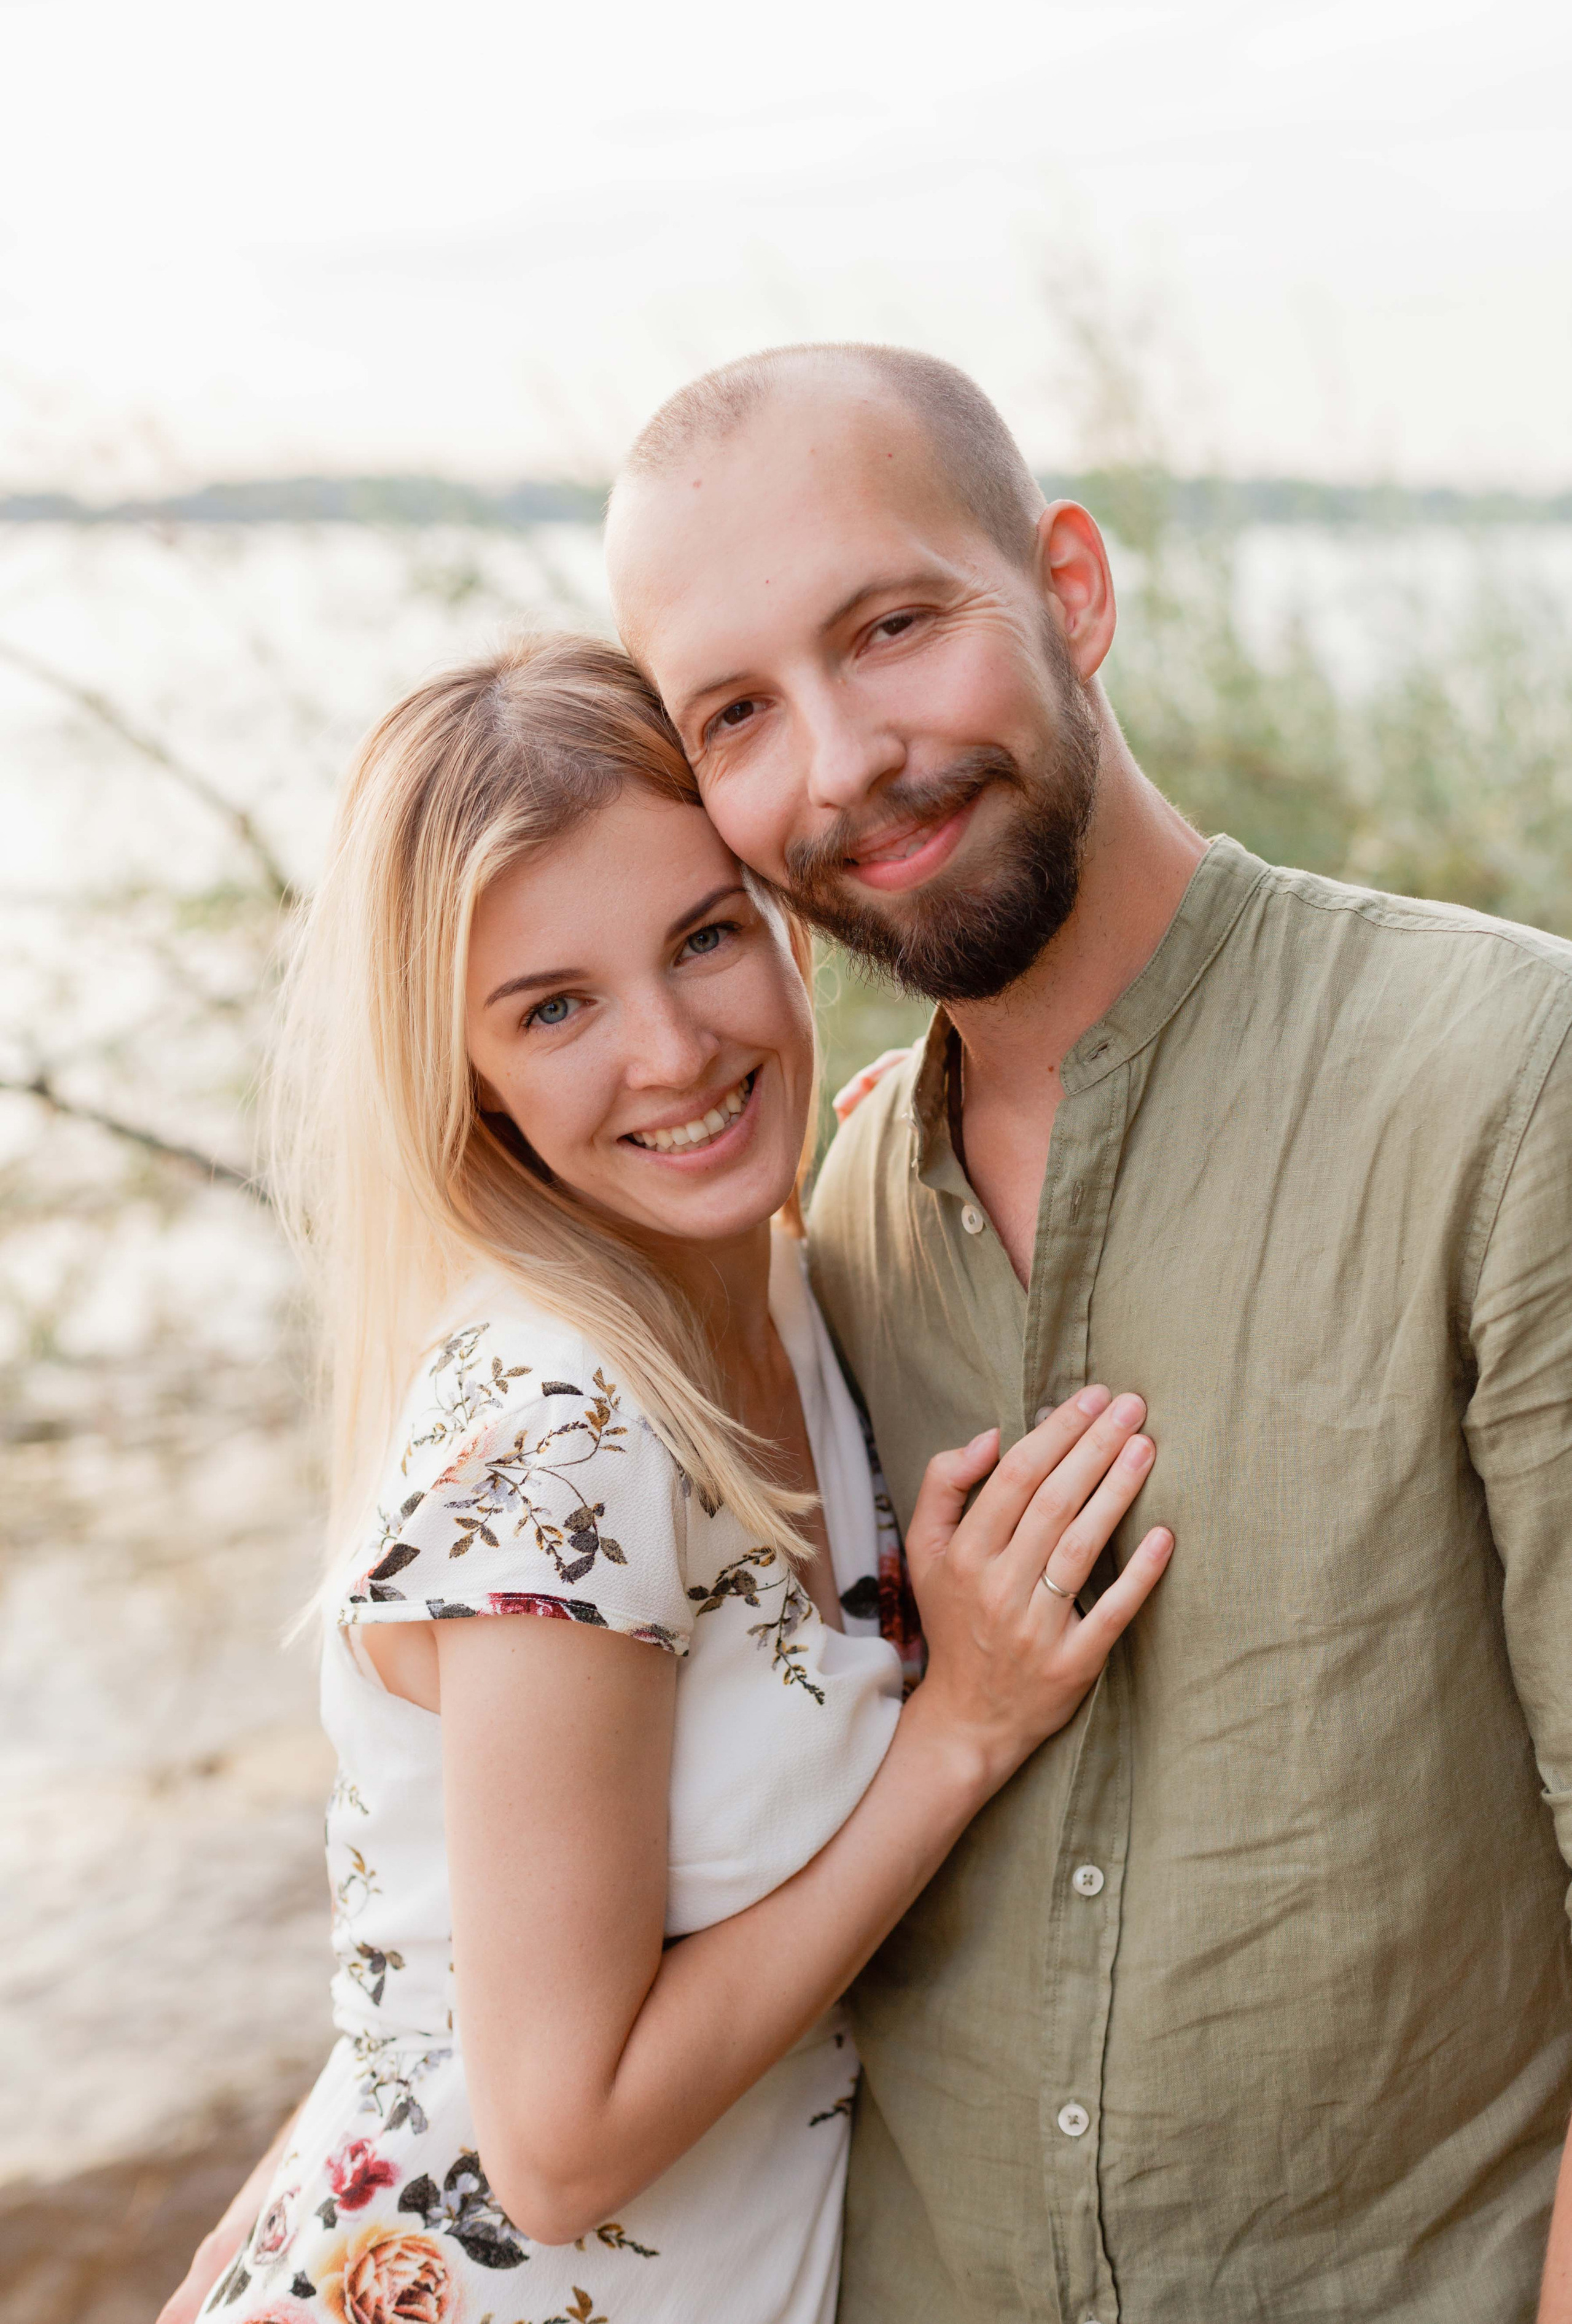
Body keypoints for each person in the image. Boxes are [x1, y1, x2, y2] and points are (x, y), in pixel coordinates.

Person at [604, 343, 1572, 2323]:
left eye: (890, 628)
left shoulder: (1502, 1083)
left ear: (1071, 590)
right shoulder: (819, 1240)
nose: (845, 759)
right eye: (739, 716)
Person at [158, 634, 1172, 2324]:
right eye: (555, 1008)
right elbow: (556, 2151)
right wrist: (962, 1734)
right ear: (458, 1069)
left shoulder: (777, 1275)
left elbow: (440, 1958)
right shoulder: (565, 1426)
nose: (676, 1051)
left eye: (706, 938)